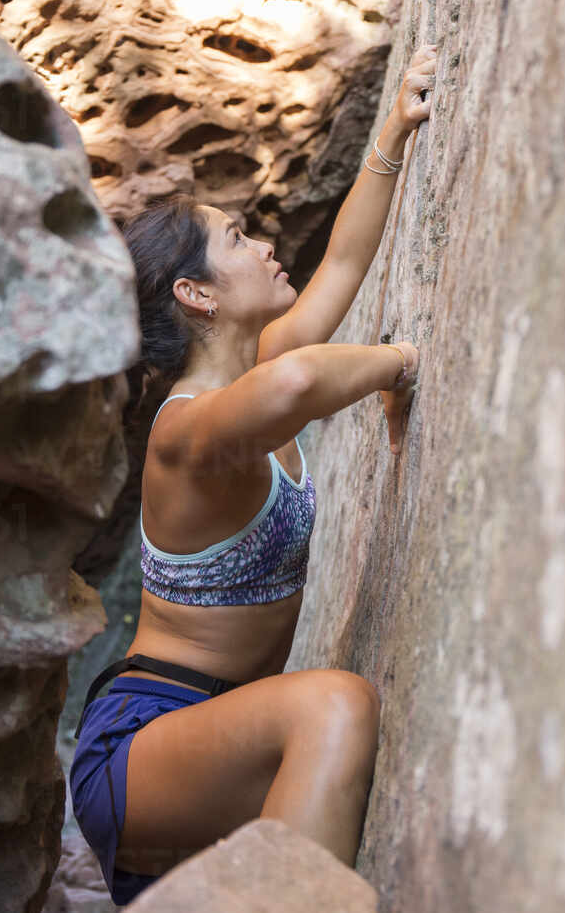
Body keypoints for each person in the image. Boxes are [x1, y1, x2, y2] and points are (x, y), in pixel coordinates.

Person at [70, 44, 437, 905]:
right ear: (196, 296)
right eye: (236, 239)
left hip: (213, 739)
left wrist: (396, 126)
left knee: (322, 707)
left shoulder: (255, 370)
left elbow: (341, 266)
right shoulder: (188, 434)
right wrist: (398, 363)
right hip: (143, 741)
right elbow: (304, 383)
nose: (265, 243)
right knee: (331, 705)